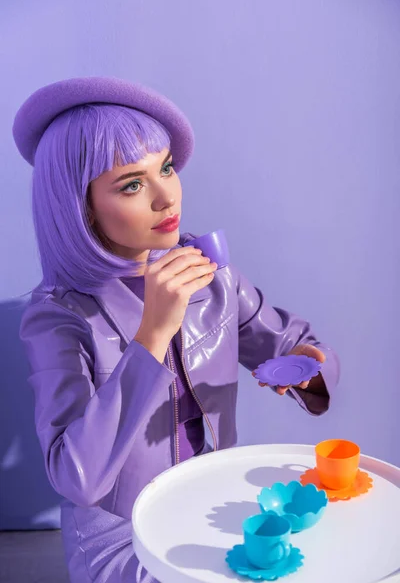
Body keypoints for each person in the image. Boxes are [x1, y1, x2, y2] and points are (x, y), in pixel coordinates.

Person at [13, 76, 340, 583]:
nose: (167, 197)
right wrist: (152, 335)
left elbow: (295, 346)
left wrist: (308, 370)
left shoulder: (209, 272)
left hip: (214, 502)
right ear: (80, 208)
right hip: (122, 532)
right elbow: (77, 476)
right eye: (132, 184)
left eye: (165, 167)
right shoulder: (58, 316)